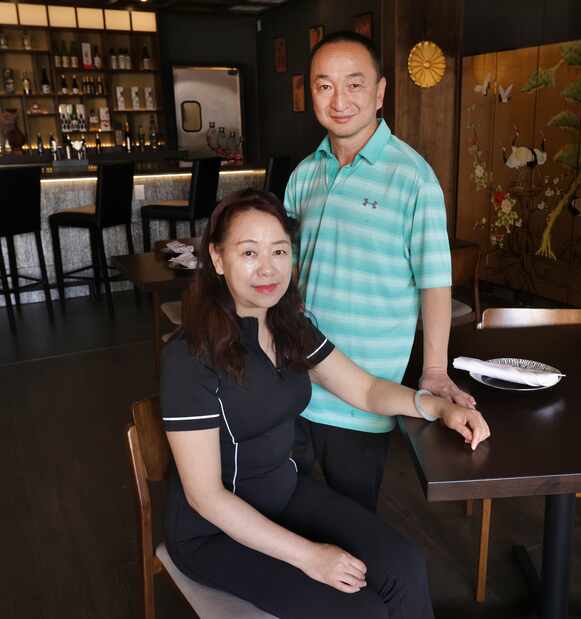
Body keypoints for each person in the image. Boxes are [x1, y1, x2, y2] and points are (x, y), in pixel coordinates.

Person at [161, 189, 490, 619]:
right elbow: (205, 497)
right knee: (361, 610)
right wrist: (310, 556)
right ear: (218, 259)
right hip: (213, 533)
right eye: (248, 252)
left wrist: (437, 406)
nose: (268, 267)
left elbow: (366, 389)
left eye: (279, 250)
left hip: (286, 493)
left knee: (404, 563)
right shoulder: (189, 357)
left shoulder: (289, 326)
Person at [284, 31, 474, 512]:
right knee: (289, 516)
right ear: (312, 94)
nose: (340, 100)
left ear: (381, 92)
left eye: (354, 84)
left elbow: (435, 283)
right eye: (324, 86)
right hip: (292, 388)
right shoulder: (303, 174)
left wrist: (433, 371)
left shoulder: (411, 176)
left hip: (362, 400)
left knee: (350, 527)